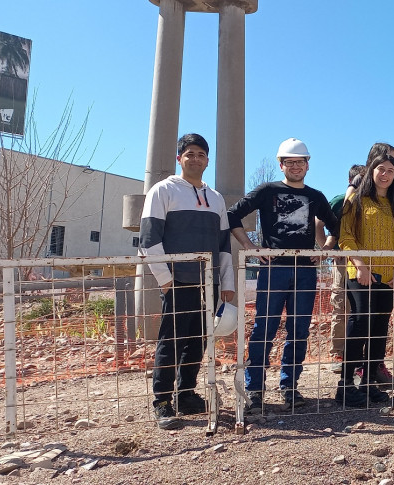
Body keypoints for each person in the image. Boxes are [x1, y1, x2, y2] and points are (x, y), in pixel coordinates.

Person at [228, 138, 339, 411]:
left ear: (308, 165)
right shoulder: (267, 191)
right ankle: (254, 389)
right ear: (281, 165)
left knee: (298, 330)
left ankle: (290, 387)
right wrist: (249, 246)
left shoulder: (316, 197)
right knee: (263, 329)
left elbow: (337, 228)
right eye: (290, 162)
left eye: (300, 161)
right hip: (273, 269)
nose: (296, 166)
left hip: (304, 272)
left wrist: (323, 249)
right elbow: (232, 215)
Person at [139, 133, 235, 429]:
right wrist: (166, 280)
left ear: (208, 160)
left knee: (198, 340)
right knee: (171, 341)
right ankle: (162, 401)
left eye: (201, 154)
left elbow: (224, 246)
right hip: (178, 282)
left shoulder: (216, 198)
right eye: (189, 153)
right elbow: (148, 239)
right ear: (179, 158)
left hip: (210, 285)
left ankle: (186, 393)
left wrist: (226, 282)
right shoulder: (163, 191)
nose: (196, 159)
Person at [335, 143, 394, 407]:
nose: (385, 174)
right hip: (361, 274)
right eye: (381, 169)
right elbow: (346, 236)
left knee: (379, 329)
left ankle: (368, 384)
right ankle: (345, 386)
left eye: (391, 170)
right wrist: (360, 265)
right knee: (360, 324)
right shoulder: (356, 200)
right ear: (372, 171)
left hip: (389, 279)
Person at [317, 163, 367, 374]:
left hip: (367, 261)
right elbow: (318, 223)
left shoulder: (373, 202)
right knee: (341, 306)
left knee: (364, 308)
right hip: (342, 261)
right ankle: (338, 353)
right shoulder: (339, 201)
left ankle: (362, 356)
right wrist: (327, 250)